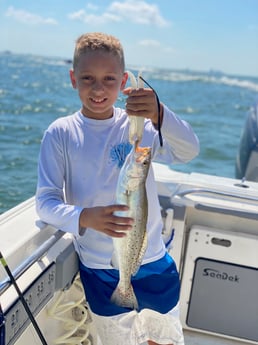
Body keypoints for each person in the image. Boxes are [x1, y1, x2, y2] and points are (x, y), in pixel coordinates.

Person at [36, 32, 199, 345]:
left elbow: (188, 150)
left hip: (152, 259)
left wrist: (160, 113)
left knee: (161, 339)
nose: (98, 88)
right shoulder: (61, 133)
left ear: (124, 80)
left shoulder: (138, 125)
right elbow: (45, 203)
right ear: (73, 78)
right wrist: (85, 217)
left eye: (109, 79)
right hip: (101, 266)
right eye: (87, 78)